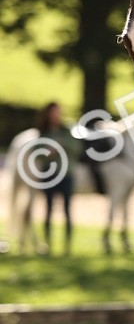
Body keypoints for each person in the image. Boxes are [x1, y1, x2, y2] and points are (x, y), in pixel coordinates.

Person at [35, 102, 81, 254]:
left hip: (66, 174)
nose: (56, 115)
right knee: (48, 209)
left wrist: (62, 144)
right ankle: (47, 245)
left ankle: (67, 247)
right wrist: (49, 152)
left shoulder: (66, 131)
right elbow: (39, 153)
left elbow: (77, 148)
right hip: (50, 175)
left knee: (67, 209)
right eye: (53, 112)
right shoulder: (44, 133)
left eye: (58, 112)